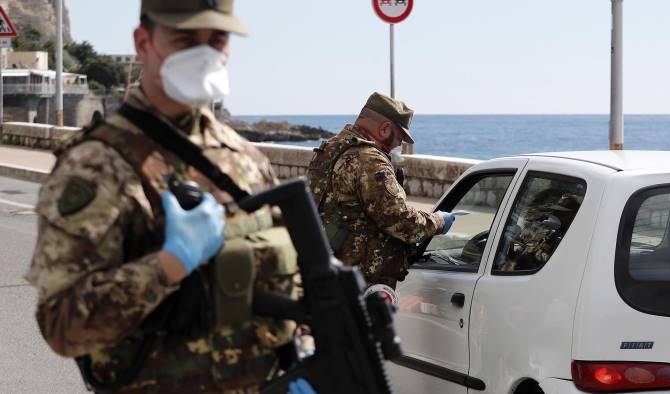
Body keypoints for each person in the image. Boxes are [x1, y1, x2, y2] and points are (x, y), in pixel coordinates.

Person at [25, 1, 313, 392]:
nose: (204, 53)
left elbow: (289, 283)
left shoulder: (246, 161)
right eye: (185, 38)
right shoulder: (95, 165)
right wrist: (168, 266)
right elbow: (61, 326)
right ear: (143, 43)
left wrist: (301, 353)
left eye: (217, 39)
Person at [308, 92, 455, 288]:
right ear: (385, 128)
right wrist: (438, 221)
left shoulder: (329, 149)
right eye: (400, 138)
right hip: (359, 282)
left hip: (328, 271)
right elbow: (400, 221)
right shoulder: (370, 160)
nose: (399, 145)